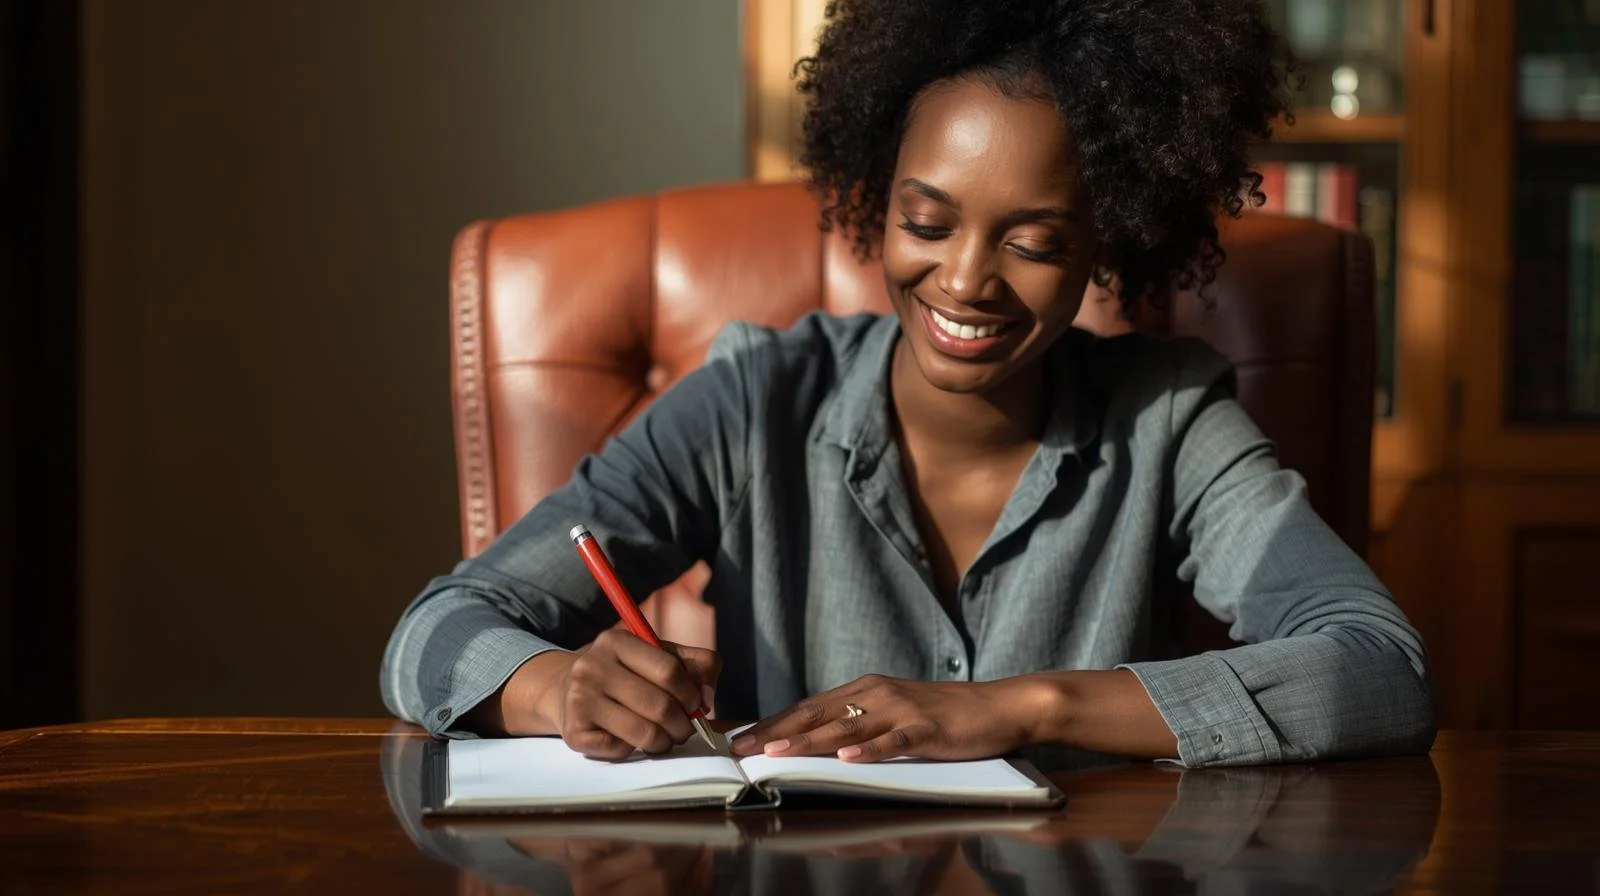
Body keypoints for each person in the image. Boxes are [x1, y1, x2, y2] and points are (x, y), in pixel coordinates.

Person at [380, 0, 1436, 768]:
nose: (966, 279)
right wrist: (560, 685)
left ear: (1103, 244)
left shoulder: (1167, 420)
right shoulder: (751, 402)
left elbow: (1381, 666)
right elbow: (432, 631)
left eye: (1032, 240)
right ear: (874, 200)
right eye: (926, 222)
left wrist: (1019, 707)